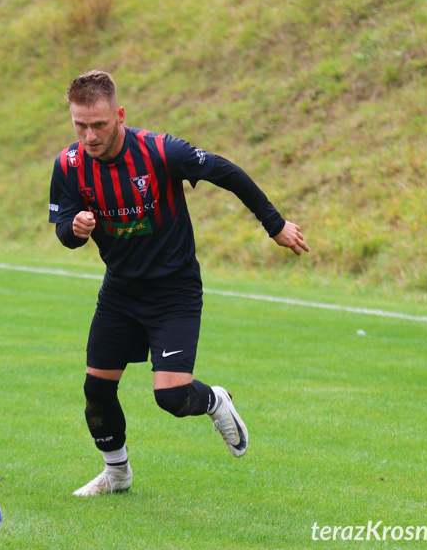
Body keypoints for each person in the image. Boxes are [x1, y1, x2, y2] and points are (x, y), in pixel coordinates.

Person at [48, 70, 309, 496]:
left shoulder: (160, 151)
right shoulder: (69, 165)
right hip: (120, 290)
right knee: (96, 389)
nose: (90, 135)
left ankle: (215, 401)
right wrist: (74, 229)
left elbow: (228, 172)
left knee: (171, 398)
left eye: (99, 124)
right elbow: (64, 231)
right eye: (80, 125)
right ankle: (117, 474)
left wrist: (274, 224)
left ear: (120, 115)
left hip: (173, 289)